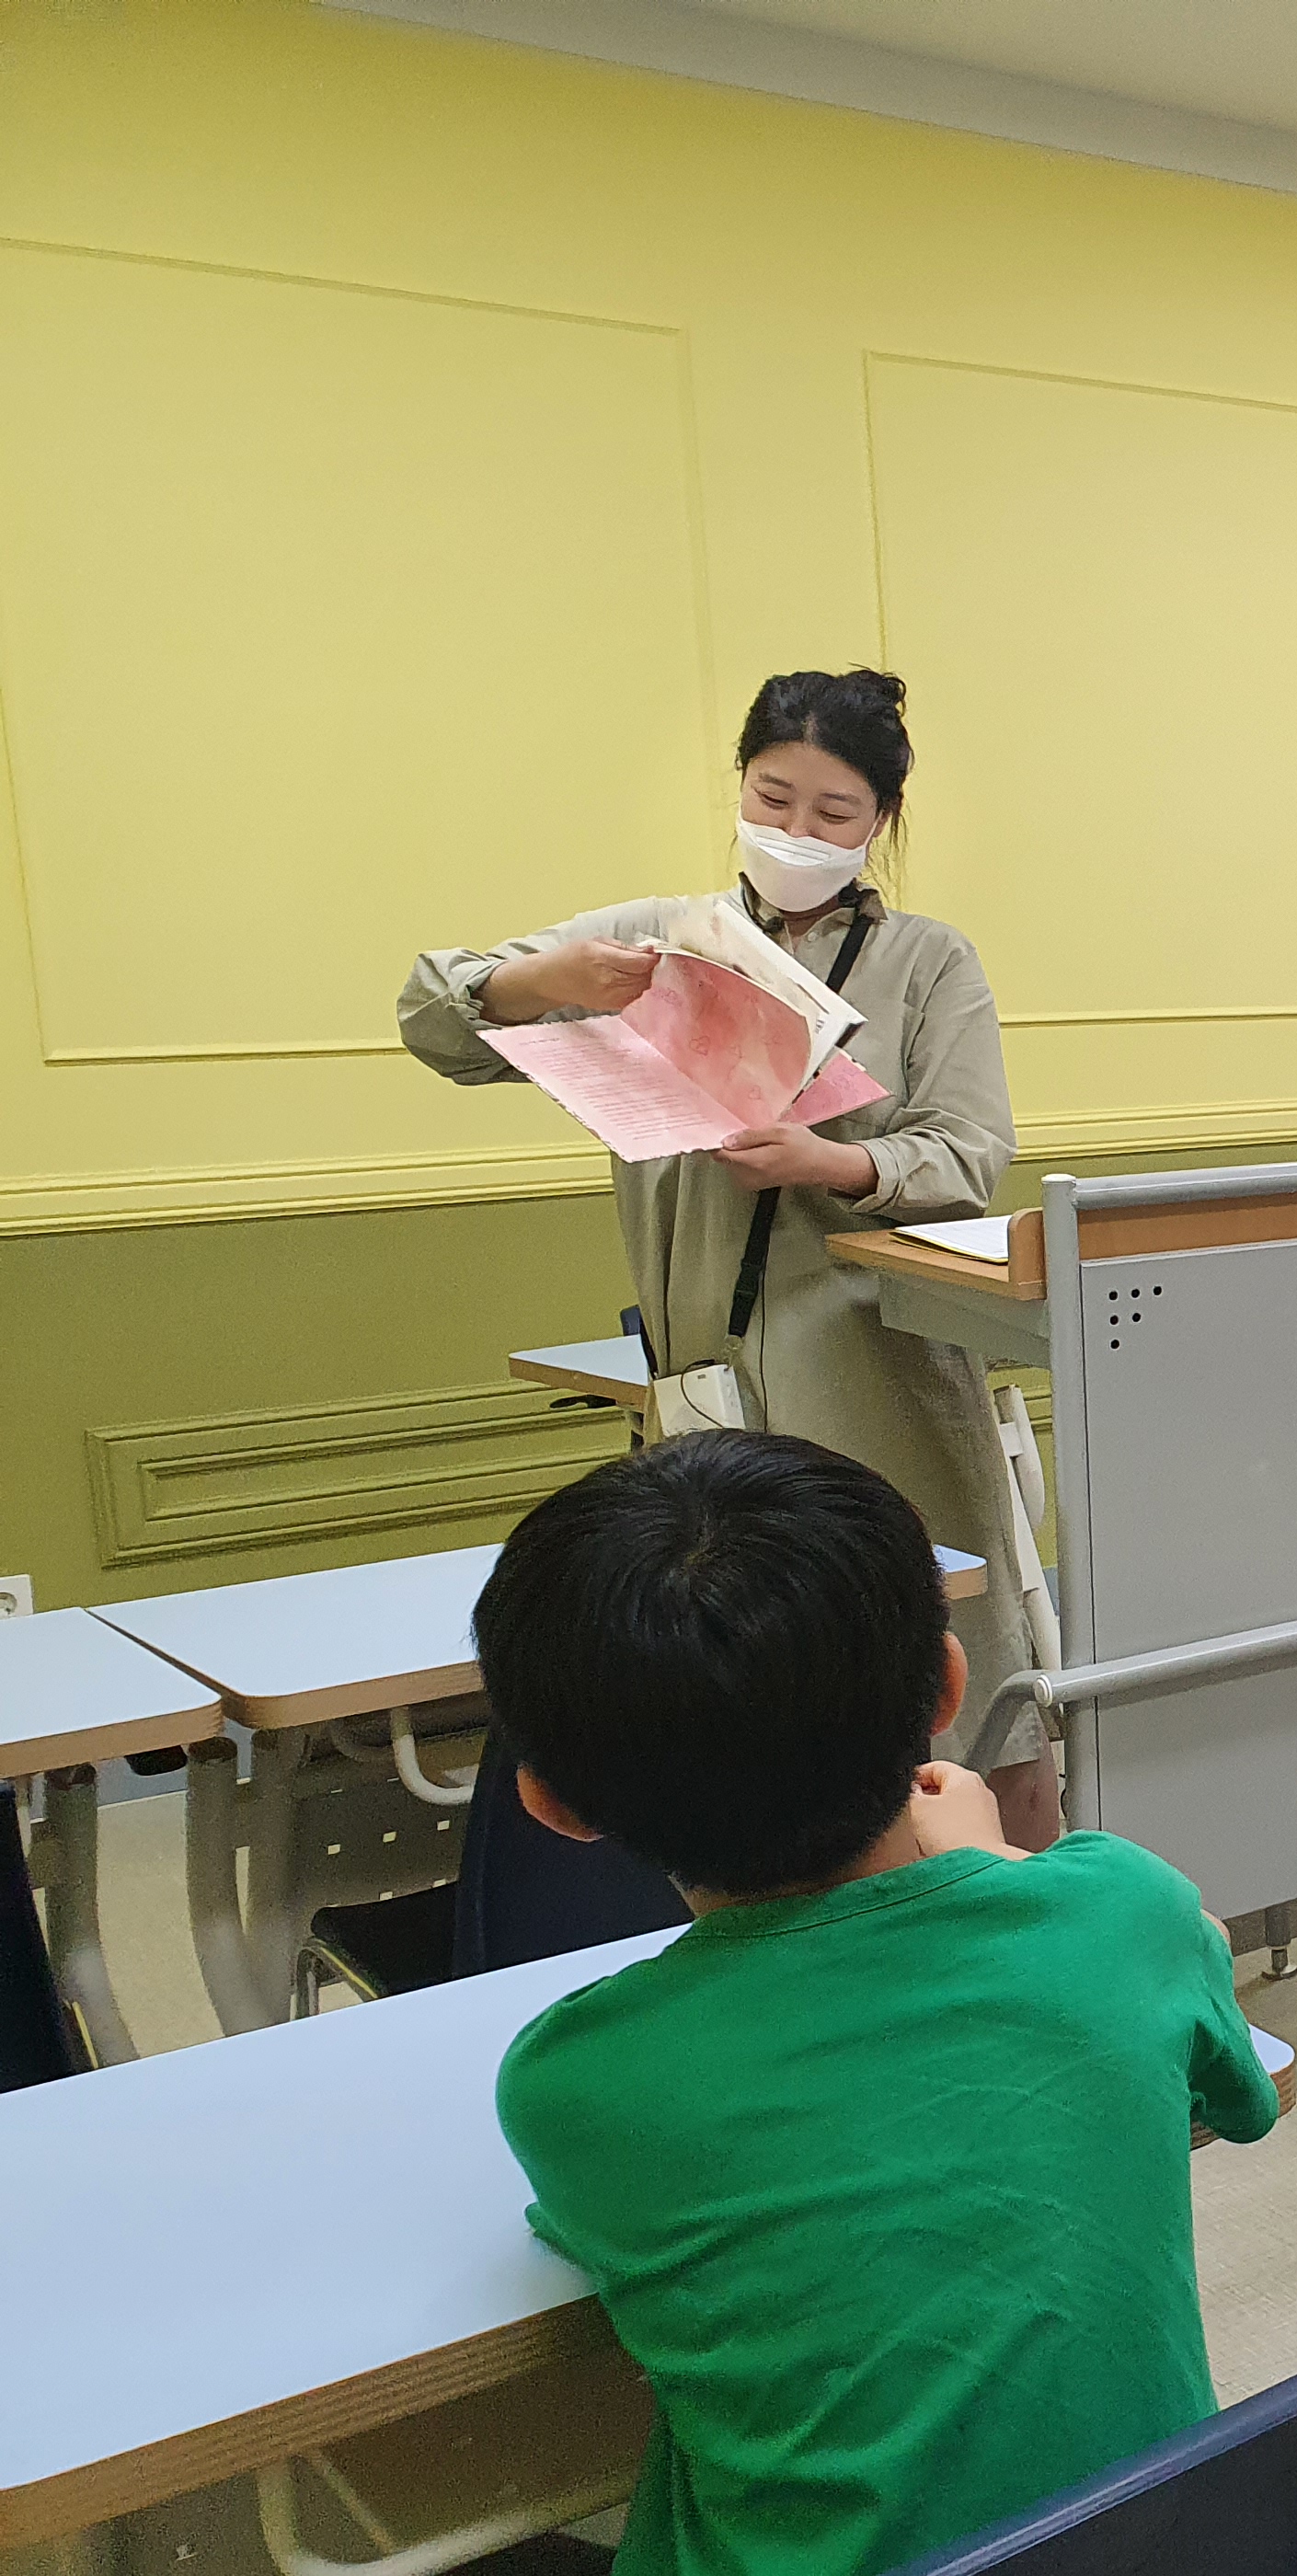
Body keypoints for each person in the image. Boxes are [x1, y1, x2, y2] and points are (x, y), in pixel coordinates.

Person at [376, 1433, 1274, 2576]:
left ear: (552, 1803)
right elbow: (1234, 2094)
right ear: (948, 1689)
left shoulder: (578, 2079)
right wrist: (1003, 1870)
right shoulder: (1122, 1911)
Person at [397, 668, 1062, 1849]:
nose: (797, 831)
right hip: (706, 1375)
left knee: (925, 1674)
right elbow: (435, 1017)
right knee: (744, 1693)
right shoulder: (657, 939)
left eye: (834, 812)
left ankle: (993, 1904)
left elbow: (969, 1153)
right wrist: (541, 982)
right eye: (773, 798)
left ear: (881, 821)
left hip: (876, 1376)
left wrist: (832, 1162)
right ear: (740, 788)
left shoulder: (928, 961)